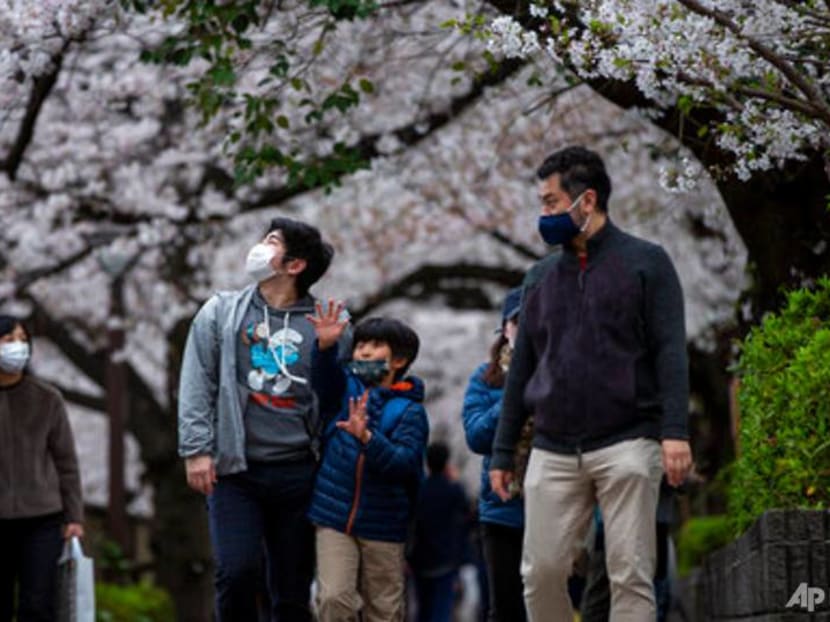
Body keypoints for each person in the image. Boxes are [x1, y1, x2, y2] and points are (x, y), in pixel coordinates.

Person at [489, 146, 693, 622]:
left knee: (630, 574)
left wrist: (675, 432)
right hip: (553, 446)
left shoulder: (647, 263)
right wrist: (502, 452)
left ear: (587, 200)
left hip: (629, 441)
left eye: (552, 203)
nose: (544, 215)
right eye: (541, 204)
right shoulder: (538, 278)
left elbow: (669, 351)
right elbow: (522, 369)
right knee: (540, 573)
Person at [178, 217, 345, 621]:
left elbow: (336, 400)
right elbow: (197, 379)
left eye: (272, 241)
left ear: (295, 265)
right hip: (236, 471)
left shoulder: (328, 322)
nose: (259, 247)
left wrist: (328, 350)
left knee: (291, 588)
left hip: (300, 472)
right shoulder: (221, 312)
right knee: (237, 572)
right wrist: (196, 449)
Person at [305, 308, 429, 622]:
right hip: (334, 516)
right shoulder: (344, 391)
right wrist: (325, 347)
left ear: (398, 360)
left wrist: (369, 439)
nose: (364, 351)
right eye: (360, 345)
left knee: (384, 609)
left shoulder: (409, 412)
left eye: (374, 345)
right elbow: (322, 378)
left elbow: (404, 465)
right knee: (334, 599)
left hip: (384, 523)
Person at [0, 315, 84, 622]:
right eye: (8, 340)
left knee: (38, 604)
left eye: (22, 339)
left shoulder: (47, 399)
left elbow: (66, 461)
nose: (17, 347)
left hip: (42, 518)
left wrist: (74, 516)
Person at [461, 288, 527, 622]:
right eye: (518, 320)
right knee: (505, 607)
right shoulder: (485, 378)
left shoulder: (565, 373)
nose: (527, 327)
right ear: (505, 329)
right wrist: (516, 394)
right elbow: (477, 436)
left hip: (562, 502)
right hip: (502, 508)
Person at [408, 441, 470, 622]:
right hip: (447, 559)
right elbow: (467, 514)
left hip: (420, 559)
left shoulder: (420, 490)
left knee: (422, 609)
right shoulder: (453, 490)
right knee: (442, 610)